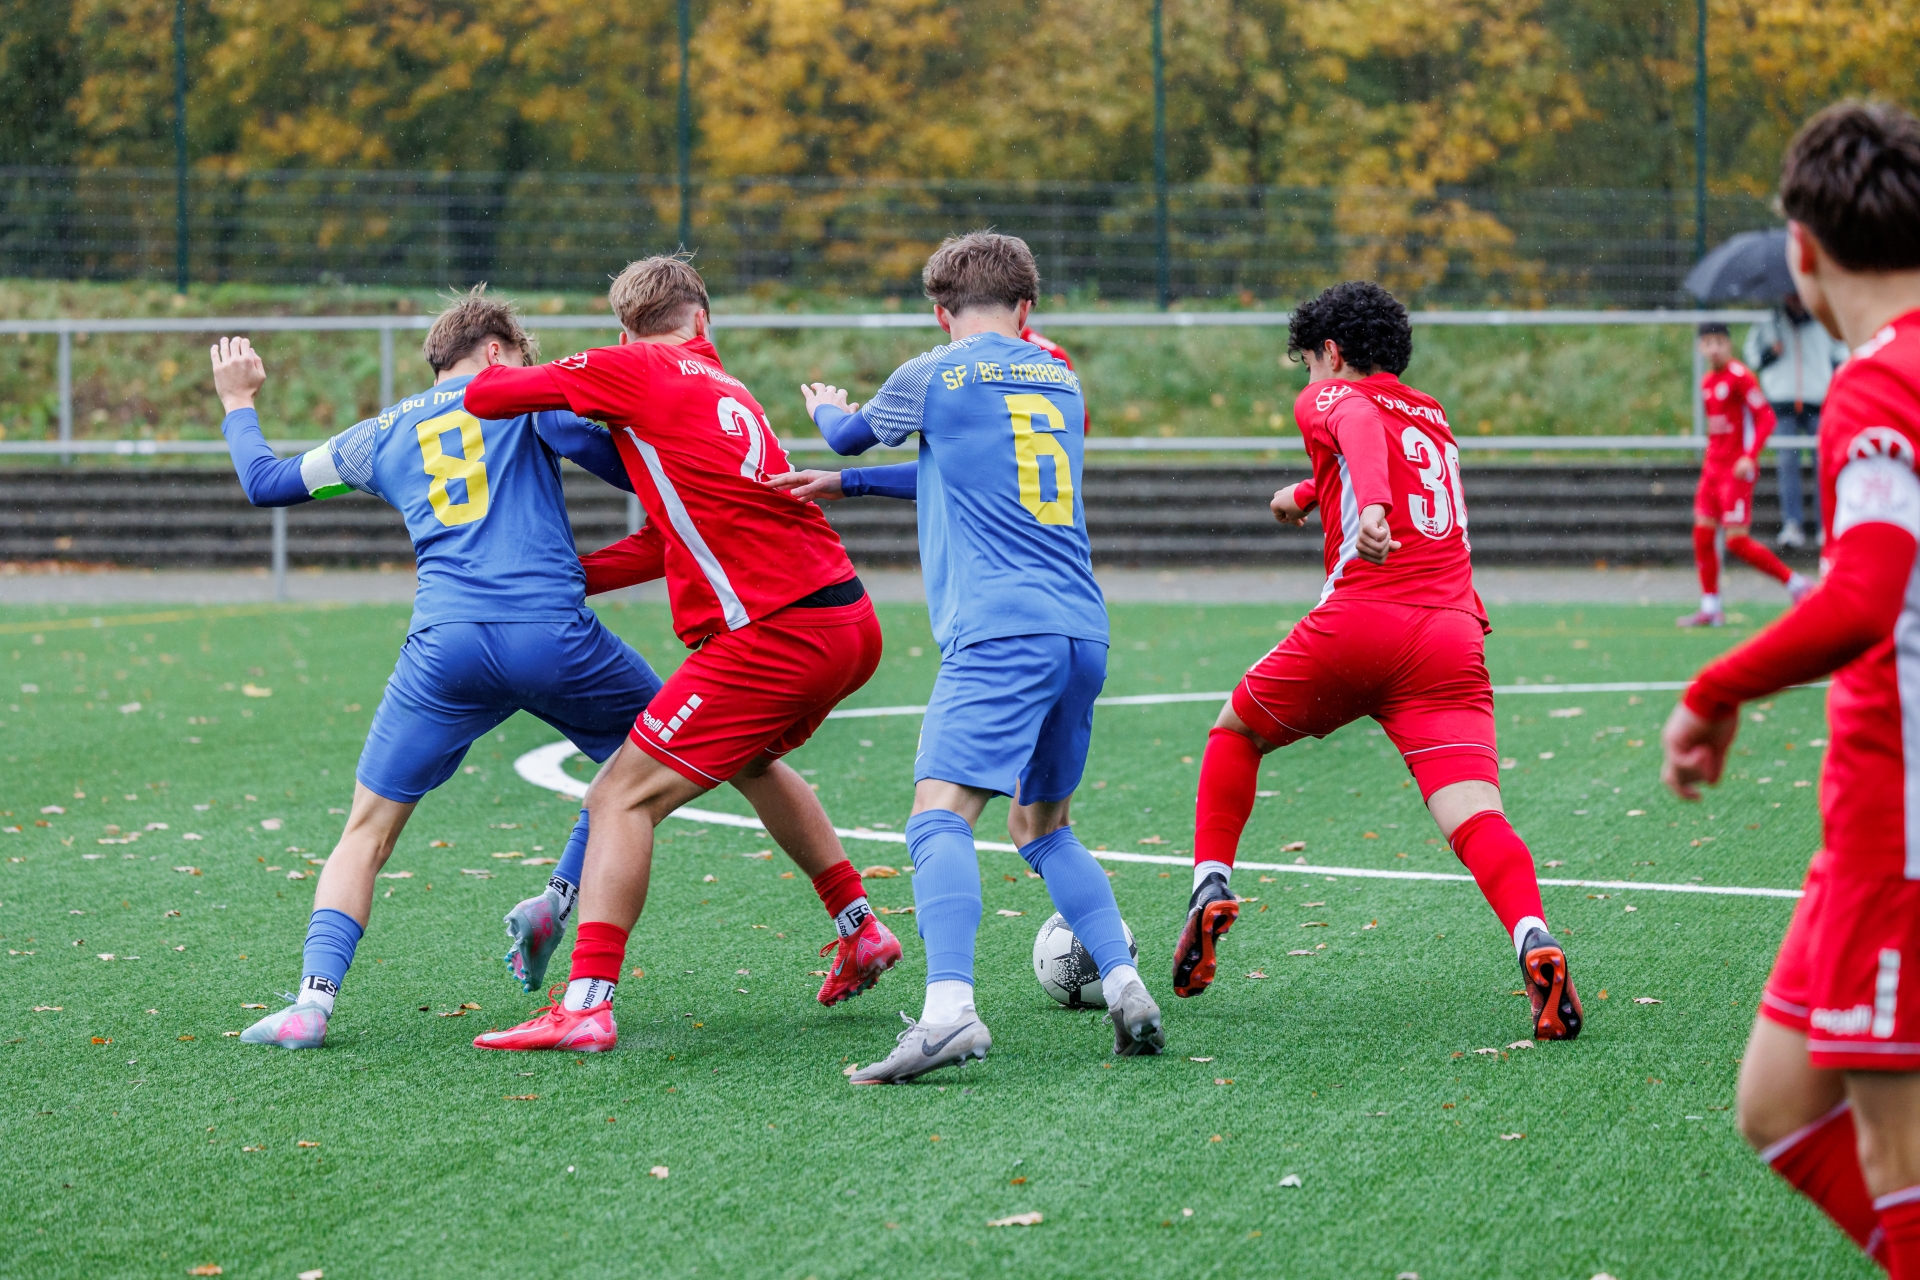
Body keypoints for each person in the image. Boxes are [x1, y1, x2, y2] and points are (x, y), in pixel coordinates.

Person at [460, 254, 897, 1053]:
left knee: (617, 800)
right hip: (846, 619)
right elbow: (672, 539)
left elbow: (488, 396)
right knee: (754, 763)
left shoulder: (636, 366)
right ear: (703, 319)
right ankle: (860, 927)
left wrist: (498, 360)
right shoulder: (726, 389)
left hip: (776, 633)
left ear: (626, 330)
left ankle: (586, 1005)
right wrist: (577, 578)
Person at [220, 287, 668, 1050]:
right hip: (549, 634)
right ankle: (557, 903)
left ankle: (310, 1004)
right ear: (497, 353)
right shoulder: (529, 400)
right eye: (520, 358)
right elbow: (640, 472)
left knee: (365, 831)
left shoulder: (381, 433)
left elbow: (266, 483)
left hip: (445, 647)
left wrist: (238, 401)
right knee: (658, 755)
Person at [774, 230, 1163, 1084]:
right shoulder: (1058, 378)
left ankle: (949, 1012)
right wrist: (850, 488)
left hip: (1000, 629)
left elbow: (851, 436)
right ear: (1027, 308)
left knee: (937, 817)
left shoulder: (935, 372)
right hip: (1080, 629)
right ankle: (1125, 983)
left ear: (939, 311)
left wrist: (825, 411)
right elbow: (961, 468)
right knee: (1042, 827)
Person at [1167, 280, 1583, 1044]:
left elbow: (1356, 424)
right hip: (1451, 638)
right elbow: (1378, 456)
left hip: (1363, 621)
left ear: (1330, 353)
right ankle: (1532, 935)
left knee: (1236, 732)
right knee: (1476, 816)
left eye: (1308, 365)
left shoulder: (1334, 398)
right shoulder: (1431, 414)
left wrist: (1375, 513)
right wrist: (1307, 493)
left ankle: (1210, 884)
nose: (1308, 381)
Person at [1661, 100, 1920, 1278]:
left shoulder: (1879, 382)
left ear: (1802, 249)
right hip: (1859, 835)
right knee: (1777, 1101)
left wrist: (1715, 688)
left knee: (1896, 1156)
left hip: (1897, 828)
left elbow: (1862, 597)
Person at [1678, 322, 1813, 627]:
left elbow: (1766, 418)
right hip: (1712, 469)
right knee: (1702, 535)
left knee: (1736, 541)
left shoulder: (1740, 376)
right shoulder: (1707, 382)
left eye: (1719, 342)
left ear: (1729, 344)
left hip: (1735, 471)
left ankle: (1796, 584)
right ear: (1700, 347)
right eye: (1708, 343)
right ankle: (1711, 607)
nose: (1714, 348)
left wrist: (1749, 457)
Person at [1746, 294, 1850, 547]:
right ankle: (1792, 523)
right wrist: (1770, 353)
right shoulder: (1769, 322)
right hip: (1783, 403)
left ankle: (1826, 523)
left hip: (1817, 400)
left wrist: (1833, 379)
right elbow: (1752, 357)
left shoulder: (1823, 321)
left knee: (1824, 462)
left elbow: (1841, 354)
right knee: (1787, 462)